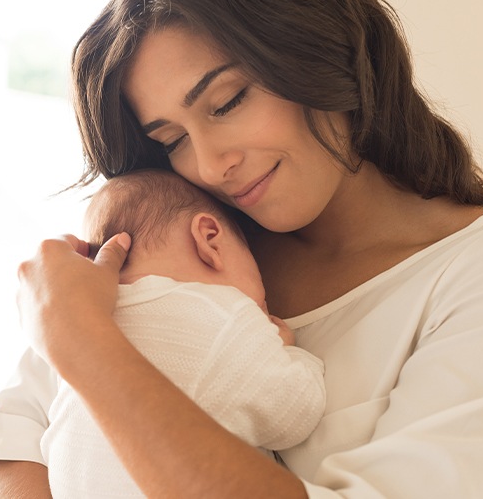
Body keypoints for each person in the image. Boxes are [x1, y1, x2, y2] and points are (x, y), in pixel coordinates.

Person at [0, 0, 483, 497]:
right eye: (171, 139)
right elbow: (3, 452)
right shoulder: (177, 248)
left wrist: (86, 347)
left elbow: (66, 356)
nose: (210, 165)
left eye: (227, 102)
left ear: (322, 50)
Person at [41, 168, 325, 497]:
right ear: (210, 239)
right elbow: (294, 415)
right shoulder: (222, 316)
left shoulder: (84, 326)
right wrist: (288, 351)